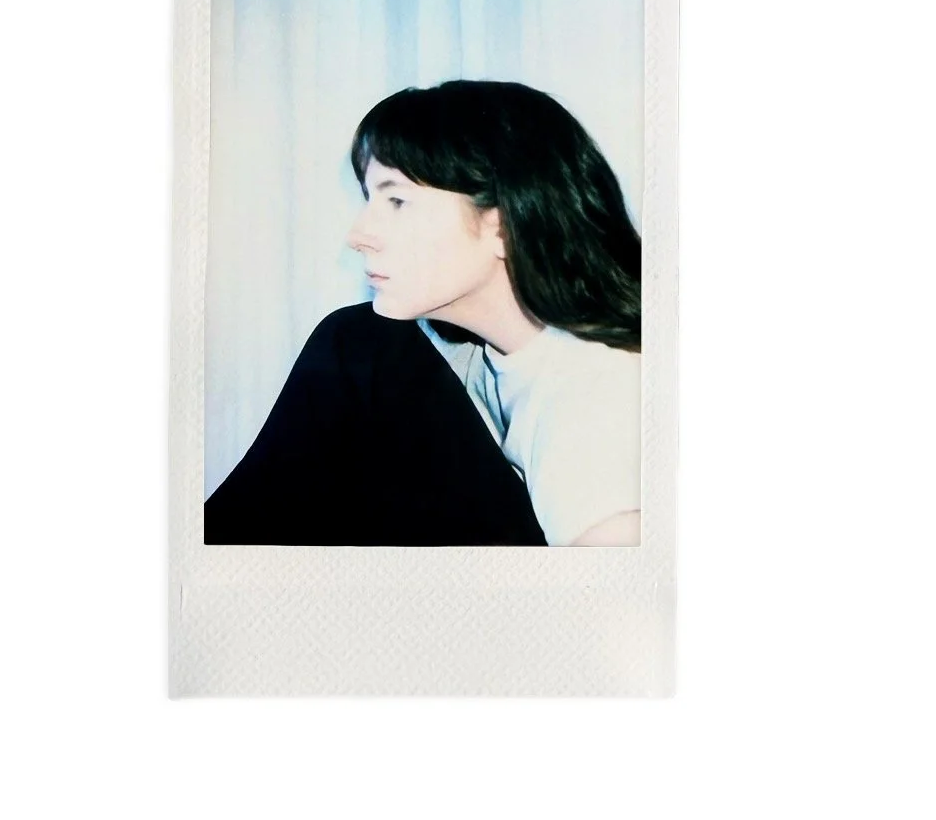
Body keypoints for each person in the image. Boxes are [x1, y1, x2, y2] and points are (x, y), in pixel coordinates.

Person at [204, 80, 641, 547]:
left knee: (358, 339)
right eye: (370, 199)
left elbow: (615, 576)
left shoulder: (597, 395)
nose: (358, 235)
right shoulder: (480, 353)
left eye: (396, 201)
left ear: (502, 226)